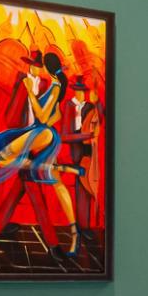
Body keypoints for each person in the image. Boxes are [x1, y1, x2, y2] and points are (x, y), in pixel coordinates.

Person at [0, 53, 79, 258]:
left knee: (29, 191)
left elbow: (48, 114)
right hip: (25, 137)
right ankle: (1, 230)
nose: (35, 69)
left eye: (38, 66)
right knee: (25, 188)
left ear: (44, 69)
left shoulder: (46, 86)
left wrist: (33, 98)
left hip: (35, 142)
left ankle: (50, 243)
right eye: (32, 65)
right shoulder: (25, 83)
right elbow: (13, 115)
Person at [58, 77, 102, 233]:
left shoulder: (90, 106)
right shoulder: (69, 106)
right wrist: (86, 136)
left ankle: (86, 226)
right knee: (79, 186)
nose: (82, 94)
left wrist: (97, 103)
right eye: (80, 91)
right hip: (76, 151)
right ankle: (81, 226)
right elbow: (64, 136)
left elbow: (101, 120)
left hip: (90, 150)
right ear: (75, 91)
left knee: (88, 185)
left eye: (84, 91)